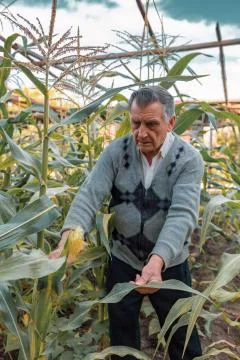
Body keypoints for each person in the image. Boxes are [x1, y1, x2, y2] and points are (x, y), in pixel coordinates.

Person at [52, 86, 204, 359]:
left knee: (183, 340)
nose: (141, 133)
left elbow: (182, 214)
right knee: (122, 341)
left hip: (169, 266)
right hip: (123, 260)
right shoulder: (116, 152)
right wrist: (69, 239)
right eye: (136, 123)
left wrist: (157, 262)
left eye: (151, 124)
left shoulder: (188, 159)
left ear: (171, 122)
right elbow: (90, 194)